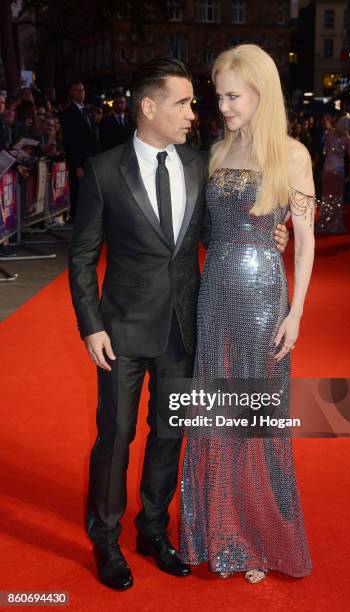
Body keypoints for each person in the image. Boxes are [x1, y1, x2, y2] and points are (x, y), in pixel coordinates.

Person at [68, 55, 292, 591]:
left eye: (195, 101)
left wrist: (269, 236)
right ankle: (105, 539)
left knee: (168, 434)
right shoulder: (103, 171)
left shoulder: (200, 164)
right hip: (120, 332)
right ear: (148, 107)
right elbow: (81, 257)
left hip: (185, 330)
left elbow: (220, 234)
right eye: (183, 102)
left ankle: (152, 529)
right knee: (116, 435)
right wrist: (91, 325)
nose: (195, 112)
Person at [179, 44, 315, 584]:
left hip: (263, 304)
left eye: (233, 96)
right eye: (220, 96)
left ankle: (259, 537)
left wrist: (297, 312)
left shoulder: (294, 155)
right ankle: (220, 532)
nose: (224, 106)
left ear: (262, 94)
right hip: (213, 300)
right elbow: (209, 232)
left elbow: (304, 242)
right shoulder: (215, 152)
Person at [60, 80, 100, 220]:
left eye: (82, 90)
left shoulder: (87, 111)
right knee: (78, 191)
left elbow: (93, 137)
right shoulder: (68, 113)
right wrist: (77, 165)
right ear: (71, 92)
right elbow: (71, 141)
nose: (81, 93)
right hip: (79, 160)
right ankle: (78, 219)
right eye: (77, 90)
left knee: (91, 191)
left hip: (92, 159)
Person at [315, 114, 350, 234]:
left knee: (326, 197)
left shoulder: (329, 134)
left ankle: (323, 222)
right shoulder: (348, 139)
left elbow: (325, 151)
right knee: (337, 198)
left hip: (327, 169)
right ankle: (334, 224)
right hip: (338, 170)